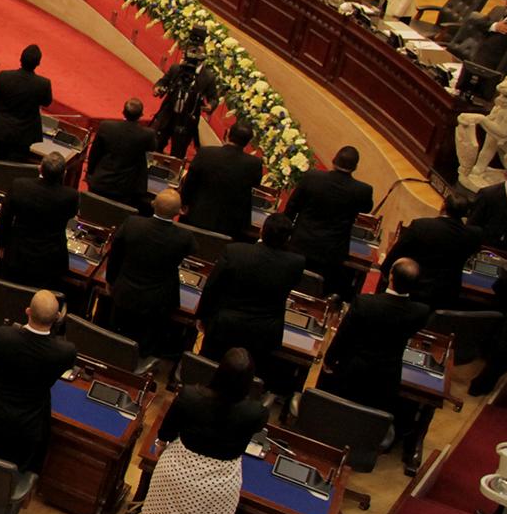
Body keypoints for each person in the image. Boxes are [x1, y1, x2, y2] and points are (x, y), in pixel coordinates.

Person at [143, 348, 267, 514]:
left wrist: (161, 445)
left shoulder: (190, 395)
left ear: (219, 371)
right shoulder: (256, 412)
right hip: (220, 483)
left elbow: (166, 431)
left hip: (177, 471)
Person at [324, 259, 434, 468]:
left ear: (390, 276)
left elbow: (343, 337)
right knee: (370, 417)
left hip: (352, 370)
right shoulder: (420, 312)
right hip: (386, 376)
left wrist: (330, 360)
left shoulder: (365, 303)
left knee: (342, 409)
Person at [0, 290, 77, 472]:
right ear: (58, 317)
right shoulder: (65, 352)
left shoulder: (3, 336)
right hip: (29, 428)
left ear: (28, 311)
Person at [199, 213, 308, 382]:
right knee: (250, 379)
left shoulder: (235, 251)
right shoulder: (295, 263)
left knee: (208, 372)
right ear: (288, 239)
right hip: (263, 332)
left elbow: (212, 287)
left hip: (225, 325)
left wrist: (203, 317)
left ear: (261, 231)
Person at [105, 189, 195, 356]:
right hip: (157, 302)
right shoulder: (184, 238)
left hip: (125, 292)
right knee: (145, 344)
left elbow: (114, 255)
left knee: (116, 338)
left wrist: (110, 281)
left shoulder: (132, 224)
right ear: (178, 212)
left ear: (153, 205)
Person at [286, 146, 375, 299]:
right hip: (331, 254)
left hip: (300, 244)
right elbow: (367, 208)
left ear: (334, 161)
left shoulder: (312, 177)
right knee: (321, 293)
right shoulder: (362, 190)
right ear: (354, 167)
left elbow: (292, 207)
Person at [383, 193, 483, 313]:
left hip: (415, 290)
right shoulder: (474, 235)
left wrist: (385, 271)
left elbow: (397, 252)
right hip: (447, 294)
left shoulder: (421, 225)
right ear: (466, 213)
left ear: (443, 206)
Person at [0, 153, 80, 291]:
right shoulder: (71, 196)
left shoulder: (19, 185)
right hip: (50, 260)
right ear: (64, 174)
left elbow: (5, 217)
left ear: (39, 169)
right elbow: (71, 214)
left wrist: (1, 243)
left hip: (17, 253)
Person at [180, 120, 264, 240]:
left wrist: (184, 203)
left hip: (197, 215)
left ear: (228, 133)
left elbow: (189, 182)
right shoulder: (254, 164)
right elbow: (255, 183)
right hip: (230, 224)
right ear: (248, 142)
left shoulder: (205, 153)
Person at [86, 99, 157, 211]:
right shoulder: (147, 135)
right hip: (125, 188)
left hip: (101, 181)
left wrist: (90, 174)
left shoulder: (106, 126)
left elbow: (94, 154)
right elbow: (152, 148)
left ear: (123, 112)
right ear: (141, 116)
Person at [0, 45, 53, 162]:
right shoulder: (43, 84)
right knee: (14, 171)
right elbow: (46, 102)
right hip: (23, 135)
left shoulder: (4, 76)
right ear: (38, 63)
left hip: (1, 129)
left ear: (20, 59)